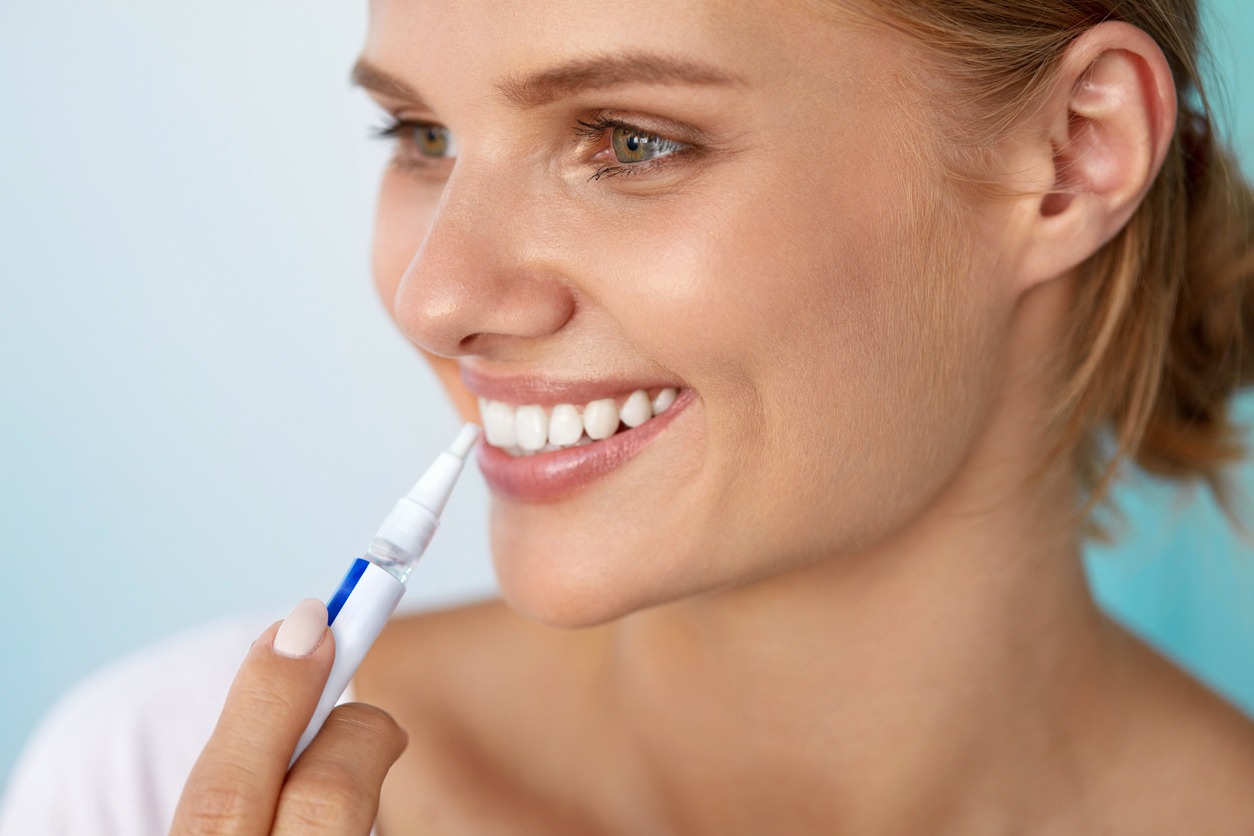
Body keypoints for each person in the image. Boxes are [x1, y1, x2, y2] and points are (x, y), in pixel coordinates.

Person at [4, 0, 1254, 832]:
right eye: (421, 133)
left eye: (632, 140)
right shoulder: (150, 778)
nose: (438, 297)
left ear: (1076, 152)